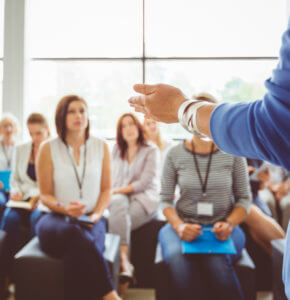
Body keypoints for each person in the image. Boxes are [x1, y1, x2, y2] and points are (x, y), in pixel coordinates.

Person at [36, 95, 120, 300]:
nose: (78, 116)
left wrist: (97, 215)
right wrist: (65, 209)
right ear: (61, 117)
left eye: (82, 110)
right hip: (55, 218)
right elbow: (44, 195)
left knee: (82, 251)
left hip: (92, 218)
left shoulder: (101, 146)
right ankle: (110, 295)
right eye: (71, 111)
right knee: (77, 237)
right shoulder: (48, 147)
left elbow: (107, 189)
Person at [159, 131, 251, 300]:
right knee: (178, 259)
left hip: (223, 225)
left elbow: (244, 200)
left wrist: (229, 224)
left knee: (216, 261)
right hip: (182, 223)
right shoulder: (174, 154)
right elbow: (165, 201)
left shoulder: (234, 154)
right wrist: (179, 226)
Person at [109, 113, 159, 296]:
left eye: (131, 124)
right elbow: (110, 178)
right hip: (119, 199)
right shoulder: (115, 149)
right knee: (119, 208)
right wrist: (116, 192)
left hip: (144, 198)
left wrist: (117, 191)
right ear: (120, 132)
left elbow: (145, 183)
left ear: (138, 127)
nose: (128, 129)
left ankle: (121, 266)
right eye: (123, 126)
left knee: (120, 220)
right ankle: (126, 265)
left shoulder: (151, 150)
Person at [0, 113, 49, 298]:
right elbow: (14, 179)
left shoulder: (53, 150)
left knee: (37, 220)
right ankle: (3, 277)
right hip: (20, 201)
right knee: (9, 219)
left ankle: (31, 276)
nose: (35, 138)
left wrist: (41, 197)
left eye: (39, 133)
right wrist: (14, 191)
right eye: (31, 133)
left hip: (41, 203)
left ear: (46, 131)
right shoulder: (21, 149)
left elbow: (54, 183)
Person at [0, 113, 20, 220]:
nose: (8, 129)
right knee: (0, 201)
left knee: (13, 211)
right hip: (0, 188)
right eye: (5, 126)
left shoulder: (20, 147)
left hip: (15, 187)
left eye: (11, 126)